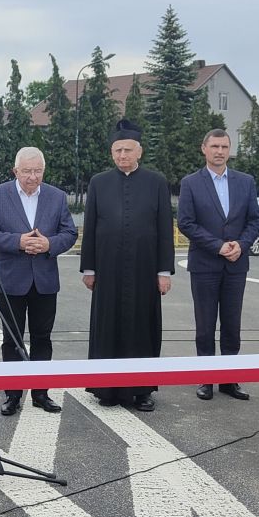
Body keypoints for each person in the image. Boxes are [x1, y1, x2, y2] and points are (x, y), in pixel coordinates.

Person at [80, 120, 174, 412]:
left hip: (145, 270)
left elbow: (164, 228)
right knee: (107, 327)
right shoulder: (98, 182)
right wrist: (89, 268)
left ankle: (142, 390)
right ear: (112, 152)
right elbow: (90, 226)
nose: (122, 155)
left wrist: (164, 271)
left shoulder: (156, 182)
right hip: (107, 269)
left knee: (142, 329)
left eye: (128, 150)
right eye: (118, 150)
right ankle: (106, 389)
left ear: (139, 151)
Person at [0, 146, 77, 415]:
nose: (32, 177)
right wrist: (18, 242)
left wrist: (49, 244)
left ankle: (40, 393)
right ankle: (12, 394)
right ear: (15, 171)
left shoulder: (57, 197)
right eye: (27, 171)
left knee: (42, 338)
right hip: (11, 280)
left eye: (37, 171)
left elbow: (70, 233)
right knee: (12, 339)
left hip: (45, 281)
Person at [177, 129, 259, 401]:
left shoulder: (245, 182)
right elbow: (186, 222)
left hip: (236, 264)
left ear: (230, 149)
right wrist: (217, 246)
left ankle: (229, 379)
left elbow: (255, 220)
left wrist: (241, 245)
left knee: (232, 325)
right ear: (204, 148)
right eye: (214, 146)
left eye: (224, 146)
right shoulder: (191, 183)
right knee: (205, 325)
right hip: (205, 265)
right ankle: (206, 378)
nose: (220, 151)